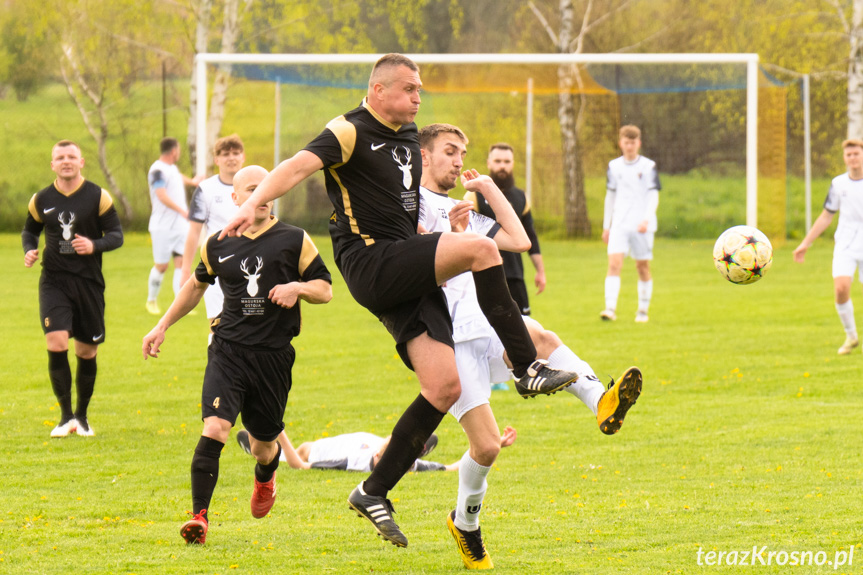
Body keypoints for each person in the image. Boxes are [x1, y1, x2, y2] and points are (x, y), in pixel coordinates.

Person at [218, 53, 578, 548]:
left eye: (420, 89)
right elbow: (297, 167)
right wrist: (251, 204)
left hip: (403, 265)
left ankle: (373, 489)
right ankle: (524, 366)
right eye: (409, 89)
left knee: (444, 386)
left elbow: (404, 210)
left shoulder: (409, 137)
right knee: (482, 248)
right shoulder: (348, 129)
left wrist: (435, 234)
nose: (417, 97)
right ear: (379, 89)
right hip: (370, 261)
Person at [418, 123, 642, 569]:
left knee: (543, 338)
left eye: (463, 153)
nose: (459, 161)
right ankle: (464, 524)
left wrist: (486, 190)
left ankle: (603, 401)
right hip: (449, 341)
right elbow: (405, 264)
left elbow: (518, 241)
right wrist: (449, 238)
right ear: (424, 155)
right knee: (486, 449)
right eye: (450, 151)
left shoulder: (461, 206)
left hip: (487, 322)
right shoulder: (410, 205)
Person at [142, 166, 333, 545]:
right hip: (227, 351)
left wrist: (297, 287)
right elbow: (195, 288)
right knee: (214, 427)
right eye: (251, 190)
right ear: (235, 198)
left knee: (264, 447)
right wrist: (162, 325)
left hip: (273, 357)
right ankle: (199, 517)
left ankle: (266, 476)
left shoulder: (294, 239)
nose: (260, 197)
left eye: (265, 190)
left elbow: (325, 289)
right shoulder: (217, 243)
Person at [22, 140, 124, 438]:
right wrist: (30, 249)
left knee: (86, 350)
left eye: (71, 156)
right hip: (54, 281)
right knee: (56, 341)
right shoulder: (41, 199)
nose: (66, 161)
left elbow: (116, 235)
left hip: (88, 283)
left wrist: (94, 245)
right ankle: (65, 417)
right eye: (59, 157)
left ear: (81, 162)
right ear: (52, 164)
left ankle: (82, 416)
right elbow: (30, 229)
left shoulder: (97, 196)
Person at [793, 138, 863, 354]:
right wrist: (806, 243)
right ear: (844, 158)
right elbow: (826, 216)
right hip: (846, 242)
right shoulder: (838, 184)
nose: (853, 158)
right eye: (849, 154)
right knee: (841, 288)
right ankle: (851, 336)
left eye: (856, 153)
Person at [463, 142, 545, 316]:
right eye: (498, 161)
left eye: (507, 161)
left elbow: (531, 236)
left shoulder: (521, 197)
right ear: (489, 163)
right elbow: (464, 236)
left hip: (515, 276)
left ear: (513, 163)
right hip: (486, 275)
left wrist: (540, 271)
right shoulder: (474, 195)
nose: (502, 166)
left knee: (525, 329)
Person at [180, 134, 246, 331]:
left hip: (251, 263)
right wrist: (185, 270)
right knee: (218, 325)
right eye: (225, 154)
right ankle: (218, 360)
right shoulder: (206, 189)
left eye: (236, 153)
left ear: (243, 157)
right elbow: (193, 232)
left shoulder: (258, 187)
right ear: (217, 160)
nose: (231, 158)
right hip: (218, 267)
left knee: (250, 325)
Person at [235, 427, 517, 472]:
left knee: (298, 451)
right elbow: (453, 467)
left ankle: (264, 449)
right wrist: (494, 445)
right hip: (357, 440)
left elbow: (301, 465)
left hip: (317, 451)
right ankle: (414, 444)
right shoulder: (408, 466)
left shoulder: (358, 463)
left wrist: (278, 430)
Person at [600, 125, 661, 323]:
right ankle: (610, 308)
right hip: (619, 223)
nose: (629, 146)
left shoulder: (648, 166)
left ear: (639, 144)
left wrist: (646, 218)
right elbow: (610, 196)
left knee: (642, 266)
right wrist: (606, 225)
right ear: (621, 143)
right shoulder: (614, 166)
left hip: (642, 225)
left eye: (633, 142)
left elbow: (653, 195)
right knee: (614, 264)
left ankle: (642, 310)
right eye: (626, 142)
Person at [146, 137, 203, 315]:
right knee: (162, 266)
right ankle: (151, 300)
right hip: (162, 227)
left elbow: (178, 177)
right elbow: (161, 195)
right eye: (178, 150)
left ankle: (180, 305)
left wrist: (193, 181)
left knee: (181, 263)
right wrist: (183, 211)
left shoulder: (171, 168)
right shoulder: (157, 170)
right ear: (173, 151)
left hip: (180, 227)